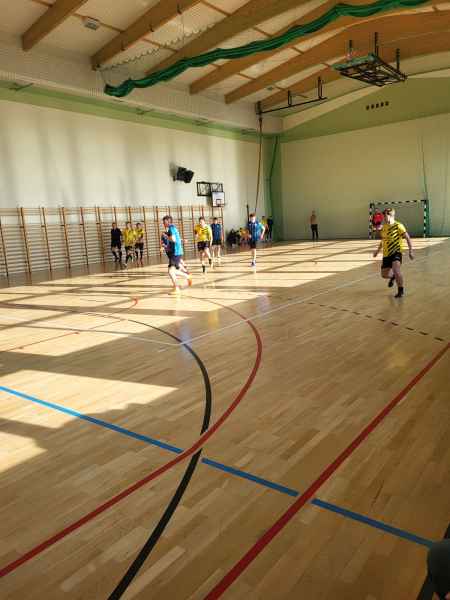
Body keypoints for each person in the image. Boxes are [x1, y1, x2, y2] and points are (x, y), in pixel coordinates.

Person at [373, 208, 414, 298]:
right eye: (384, 216)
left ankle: (400, 290)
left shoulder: (398, 225)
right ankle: (393, 277)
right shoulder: (384, 227)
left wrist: (410, 251)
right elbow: (383, 240)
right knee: (384, 275)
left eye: (385, 215)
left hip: (396, 252)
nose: (384, 218)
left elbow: (407, 237)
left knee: (396, 270)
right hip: (386, 254)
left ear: (391, 216)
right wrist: (377, 251)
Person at [162, 215, 192, 295]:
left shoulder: (171, 229)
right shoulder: (173, 228)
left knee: (171, 271)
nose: (163, 224)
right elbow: (176, 239)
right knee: (172, 270)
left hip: (175, 251)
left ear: (168, 222)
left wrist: (166, 236)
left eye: (164, 222)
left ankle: (181, 283)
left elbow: (174, 239)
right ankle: (179, 284)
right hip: (176, 251)